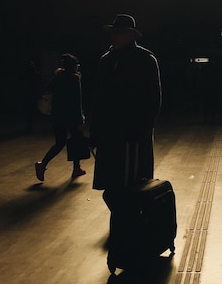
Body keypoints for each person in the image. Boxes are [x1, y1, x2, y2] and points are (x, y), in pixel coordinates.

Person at [89, 14, 162, 203]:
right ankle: (124, 221)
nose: (114, 36)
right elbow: (99, 98)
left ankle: (127, 221)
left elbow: (153, 99)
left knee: (132, 183)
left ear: (131, 36)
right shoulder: (107, 60)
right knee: (114, 184)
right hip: (110, 132)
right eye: (113, 33)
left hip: (132, 132)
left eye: (119, 33)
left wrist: (143, 128)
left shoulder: (144, 59)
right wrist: (95, 131)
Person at [34, 53, 86, 181]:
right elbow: (76, 101)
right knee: (76, 141)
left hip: (57, 116)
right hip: (71, 117)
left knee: (59, 143)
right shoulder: (74, 79)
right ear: (74, 67)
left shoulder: (57, 78)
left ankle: (43, 164)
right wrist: (80, 118)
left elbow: (46, 90)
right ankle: (76, 169)